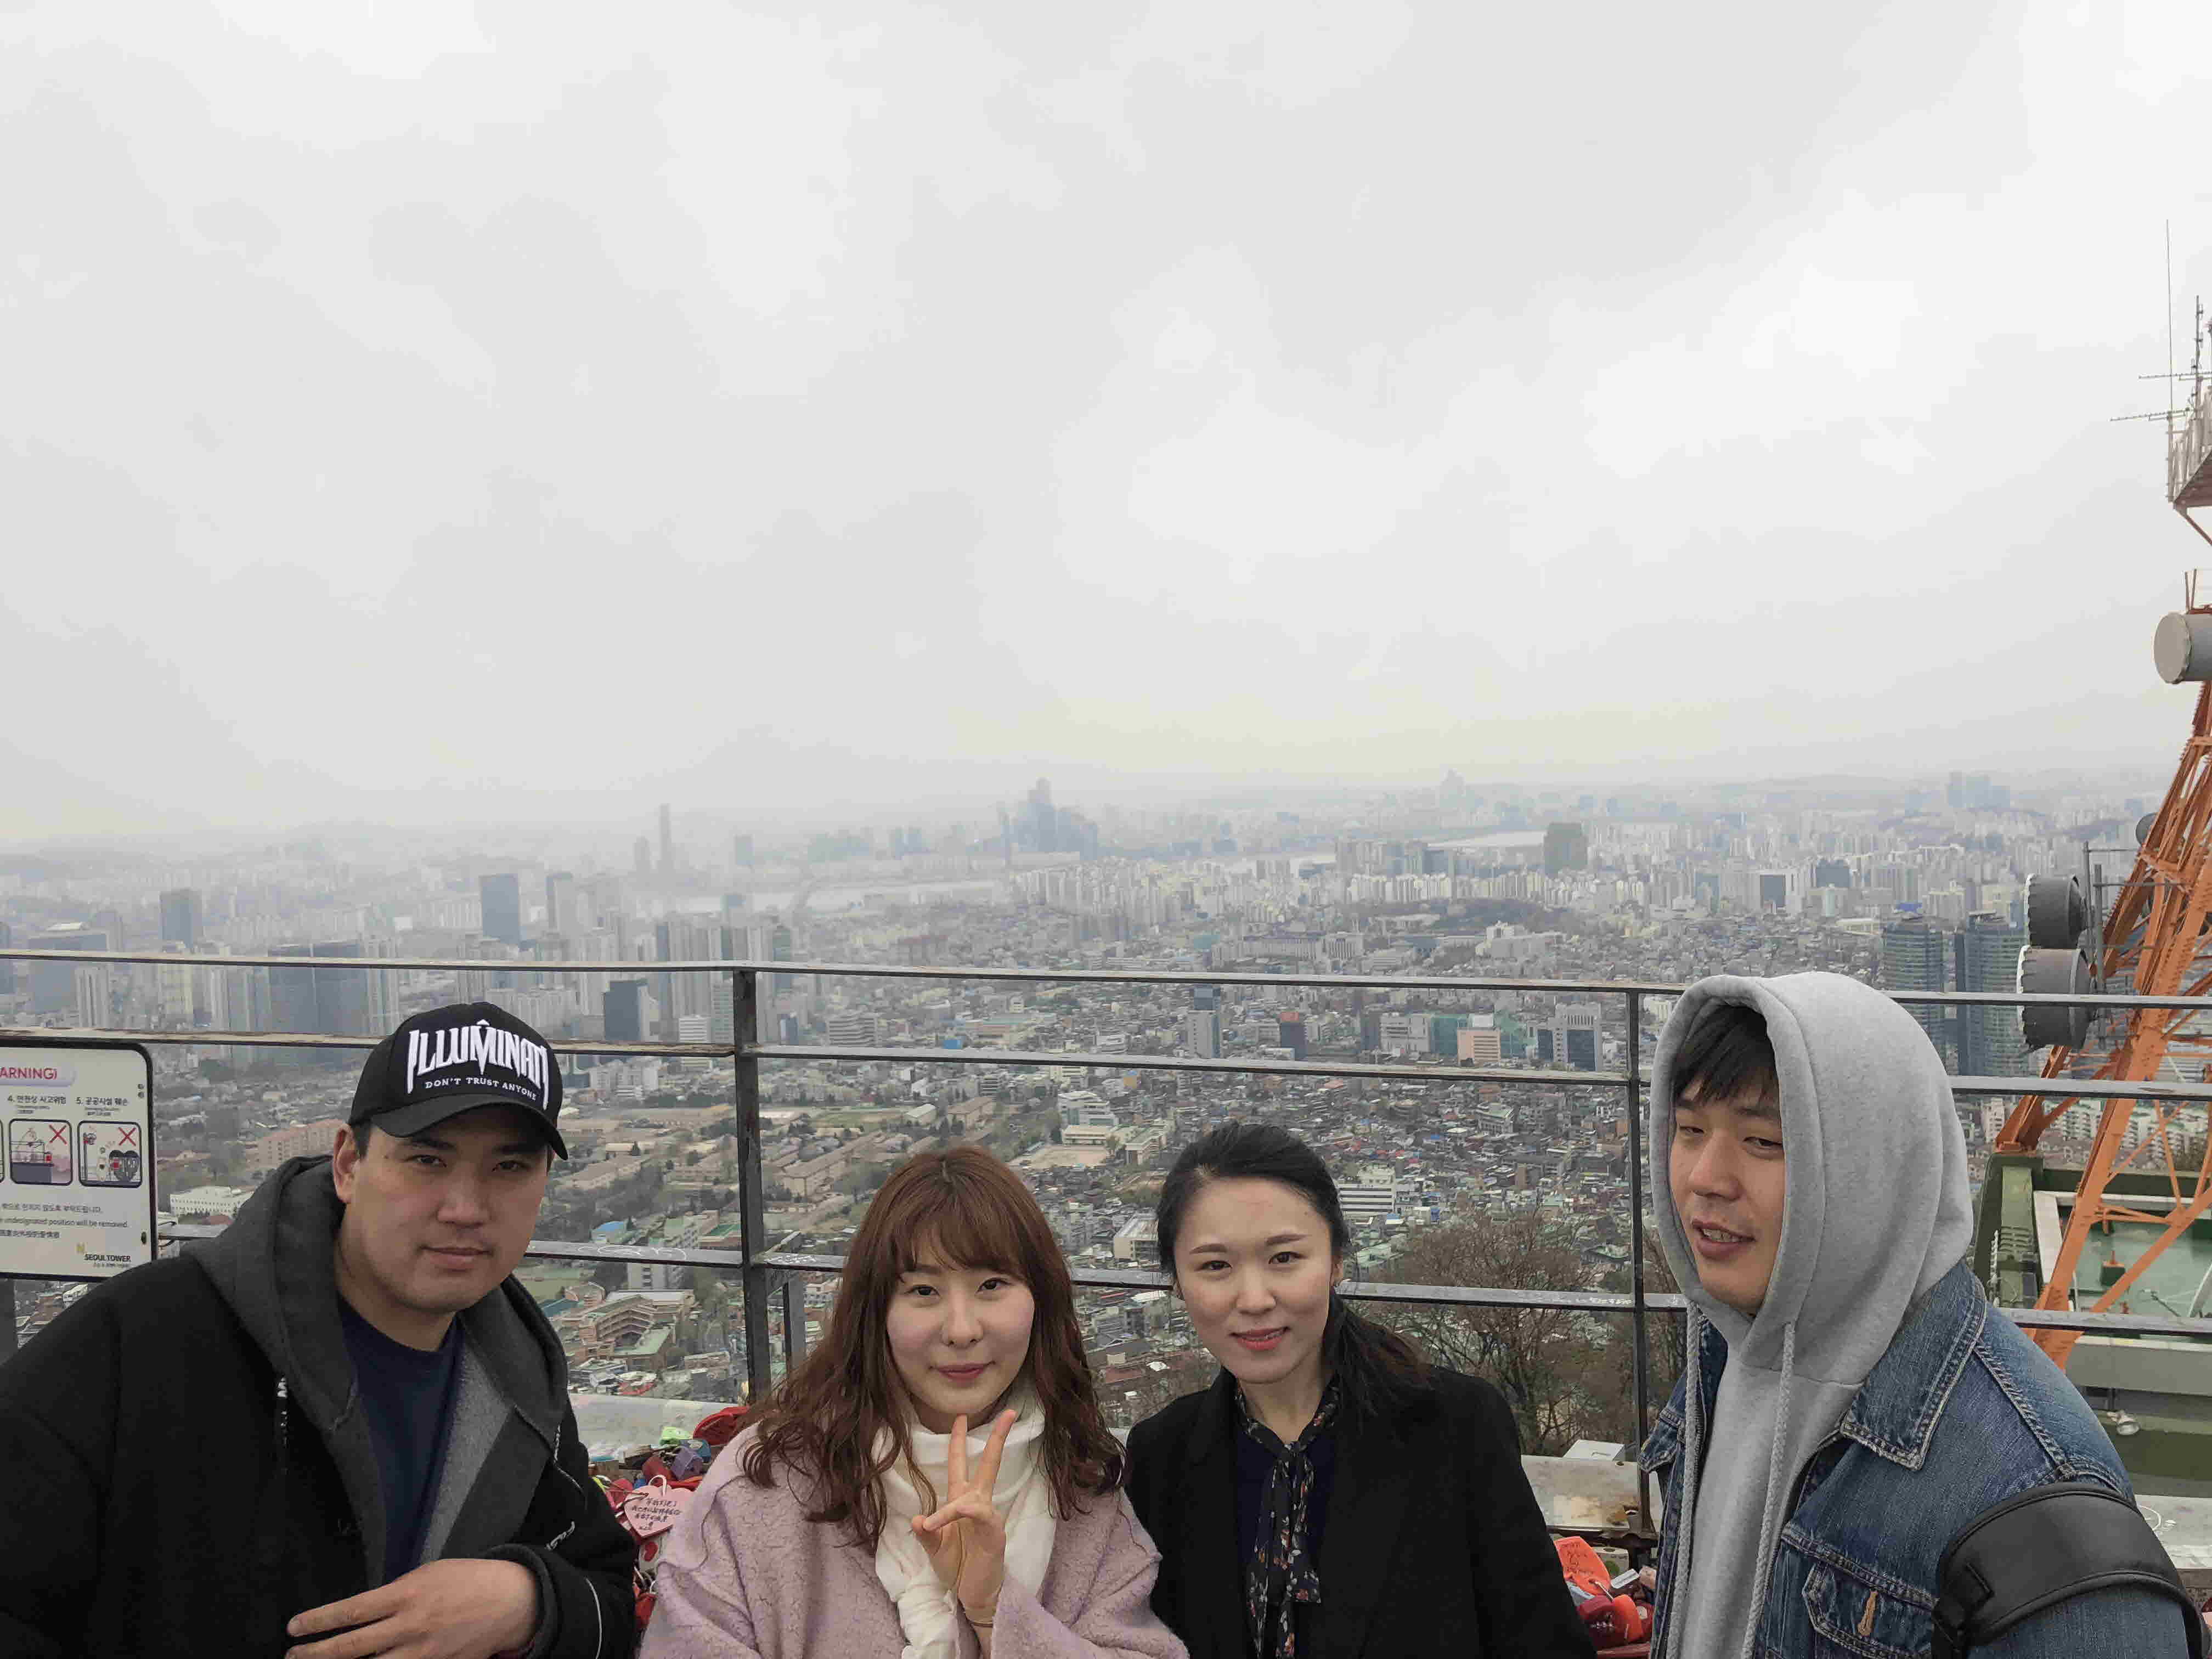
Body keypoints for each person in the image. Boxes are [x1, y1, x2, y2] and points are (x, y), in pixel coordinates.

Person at [0, 1001, 636, 1659]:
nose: (465, 1208)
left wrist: (527, 1603)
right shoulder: (139, 1343)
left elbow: (612, 1600)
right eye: (427, 1160)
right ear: (348, 1164)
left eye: (510, 1167)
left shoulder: (520, 1376)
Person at [1643, 973, 2197, 1658]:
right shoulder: (1724, 1364)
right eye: (1690, 1130)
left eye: (1764, 1142)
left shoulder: (2043, 1515)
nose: (1705, 1177)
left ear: (1874, 1167)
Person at [641, 1144, 1187, 1658]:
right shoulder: (765, 1487)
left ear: (1040, 1300)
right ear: (875, 1312)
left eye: (992, 1285)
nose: (961, 1329)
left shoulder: (1083, 1489)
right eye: (923, 1291)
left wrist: (993, 1609)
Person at [1125, 1121, 1594, 1659]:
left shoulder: (1455, 1426)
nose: (1254, 1299)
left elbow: (1543, 1641)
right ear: (1177, 1282)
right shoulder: (1161, 1457)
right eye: (1215, 1266)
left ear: (1337, 1261)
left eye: (1284, 1258)